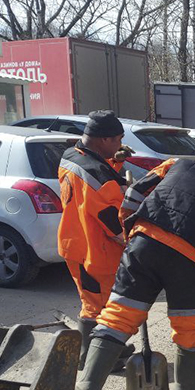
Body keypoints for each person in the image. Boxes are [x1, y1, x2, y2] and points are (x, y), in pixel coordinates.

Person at [74, 142, 195, 390]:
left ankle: (87, 387)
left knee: (119, 314)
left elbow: (134, 192)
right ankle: (187, 388)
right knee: (190, 325)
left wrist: (130, 232)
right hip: (191, 262)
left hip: (144, 245)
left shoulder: (175, 165)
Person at [57, 109, 135, 369]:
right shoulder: (96, 176)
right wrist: (131, 241)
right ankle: (92, 359)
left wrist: (115, 161)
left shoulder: (72, 156)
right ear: (104, 140)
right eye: (118, 140)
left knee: (96, 301)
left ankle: (106, 350)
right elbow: (110, 217)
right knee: (96, 305)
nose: (120, 144)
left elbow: (90, 187)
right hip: (92, 249)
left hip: (75, 241)